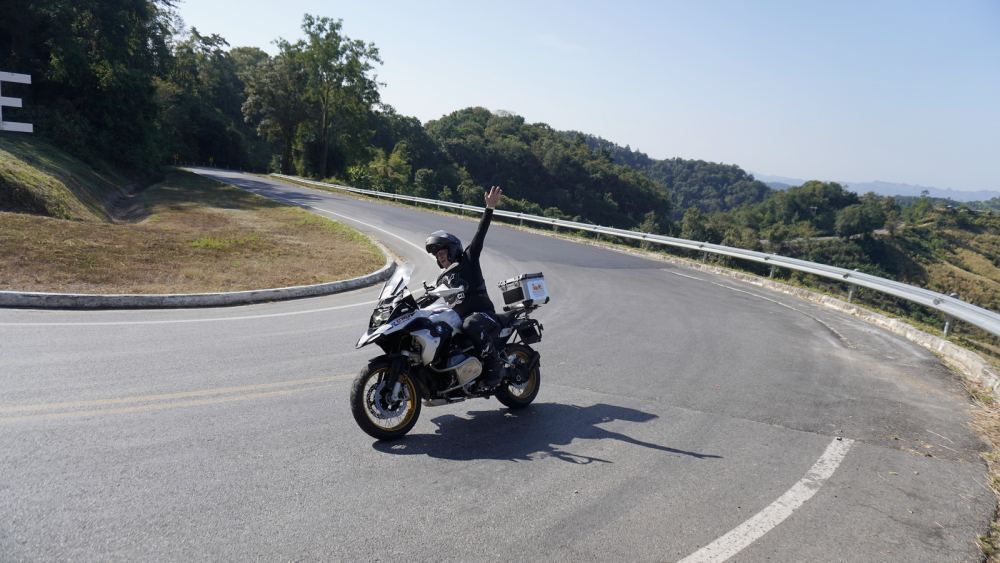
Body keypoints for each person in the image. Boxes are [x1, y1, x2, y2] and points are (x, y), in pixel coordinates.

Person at [424, 186, 506, 388]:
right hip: (460, 320)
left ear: (452, 250)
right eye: (437, 256)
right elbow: (430, 298)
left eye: (442, 253)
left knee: (471, 324)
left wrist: (489, 208)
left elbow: (480, 235)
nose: (440, 258)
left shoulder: (468, 260)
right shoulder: (443, 278)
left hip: (484, 315)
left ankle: (494, 366)